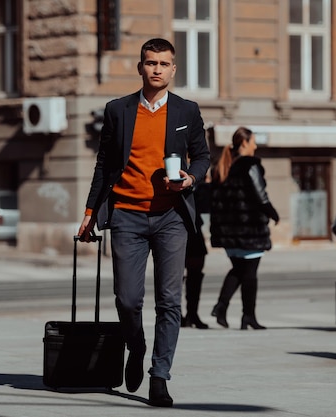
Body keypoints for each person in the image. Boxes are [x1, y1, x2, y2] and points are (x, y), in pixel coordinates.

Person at [77, 38, 210, 407]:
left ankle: (159, 376)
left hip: (171, 218)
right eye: (150, 62)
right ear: (140, 67)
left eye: (163, 64)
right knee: (127, 299)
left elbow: (202, 157)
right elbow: (104, 164)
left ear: (173, 69)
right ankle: (136, 347)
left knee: (169, 302)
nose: (156, 69)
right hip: (127, 216)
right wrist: (90, 213)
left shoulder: (187, 111)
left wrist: (190, 179)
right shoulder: (118, 110)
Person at [209, 127, 279, 330]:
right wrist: (273, 214)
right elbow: (261, 195)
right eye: (253, 142)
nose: (256, 146)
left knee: (238, 270)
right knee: (249, 274)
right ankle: (248, 316)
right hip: (249, 229)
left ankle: (222, 307)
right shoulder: (250, 165)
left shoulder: (224, 165)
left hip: (229, 232)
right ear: (244, 143)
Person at [181, 180, 210, 329]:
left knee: (195, 275)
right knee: (173, 276)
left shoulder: (200, 183)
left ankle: (192, 314)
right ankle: (176, 314)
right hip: (174, 229)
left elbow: (205, 205)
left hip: (194, 232)